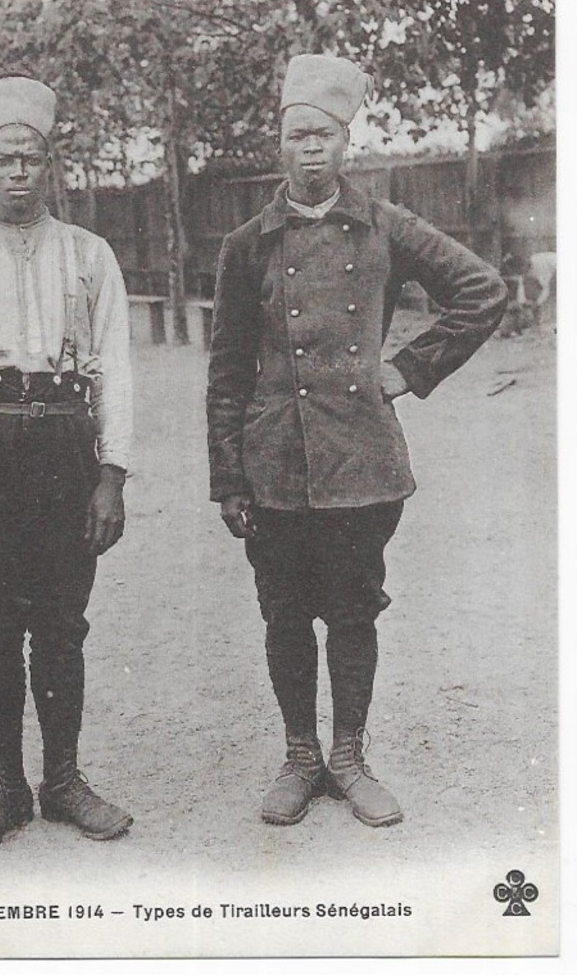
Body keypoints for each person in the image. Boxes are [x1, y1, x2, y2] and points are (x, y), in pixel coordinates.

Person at [206, 54, 508, 829]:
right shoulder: (246, 244)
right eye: (296, 134)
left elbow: (481, 291)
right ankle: (300, 756)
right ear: (277, 146)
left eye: (325, 134)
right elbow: (228, 369)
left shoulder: (384, 225)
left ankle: (348, 756)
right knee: (282, 614)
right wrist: (227, 478)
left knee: (352, 612)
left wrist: (408, 369)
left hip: (361, 465)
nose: (310, 148)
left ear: (347, 143)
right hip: (274, 463)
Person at [0, 75, 133, 853]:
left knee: (64, 624)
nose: (17, 172)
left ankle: (65, 781)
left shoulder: (89, 255)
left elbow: (116, 367)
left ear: (51, 168)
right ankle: (5, 788)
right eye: (4, 158)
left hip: (67, 446)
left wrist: (113, 475)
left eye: (31, 158)